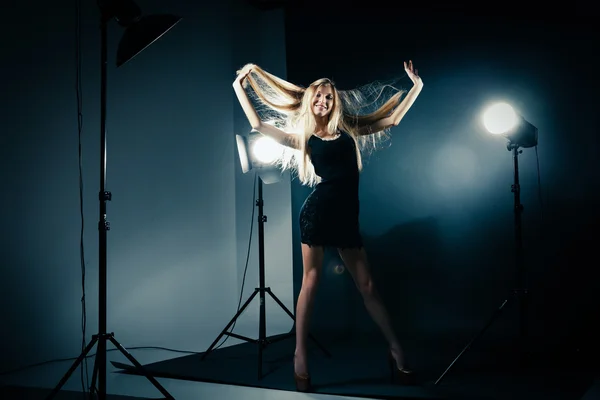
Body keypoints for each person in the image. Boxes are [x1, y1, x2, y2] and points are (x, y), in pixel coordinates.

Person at [232, 60, 423, 392]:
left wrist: (417, 87)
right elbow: (259, 125)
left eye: (328, 97)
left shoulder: (350, 130)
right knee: (312, 281)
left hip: (347, 216)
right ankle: (300, 355)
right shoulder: (304, 138)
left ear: (335, 102)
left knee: (367, 287)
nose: (323, 101)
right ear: (310, 102)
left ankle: (395, 348)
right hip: (318, 212)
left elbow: (392, 118)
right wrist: (239, 87)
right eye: (318, 97)